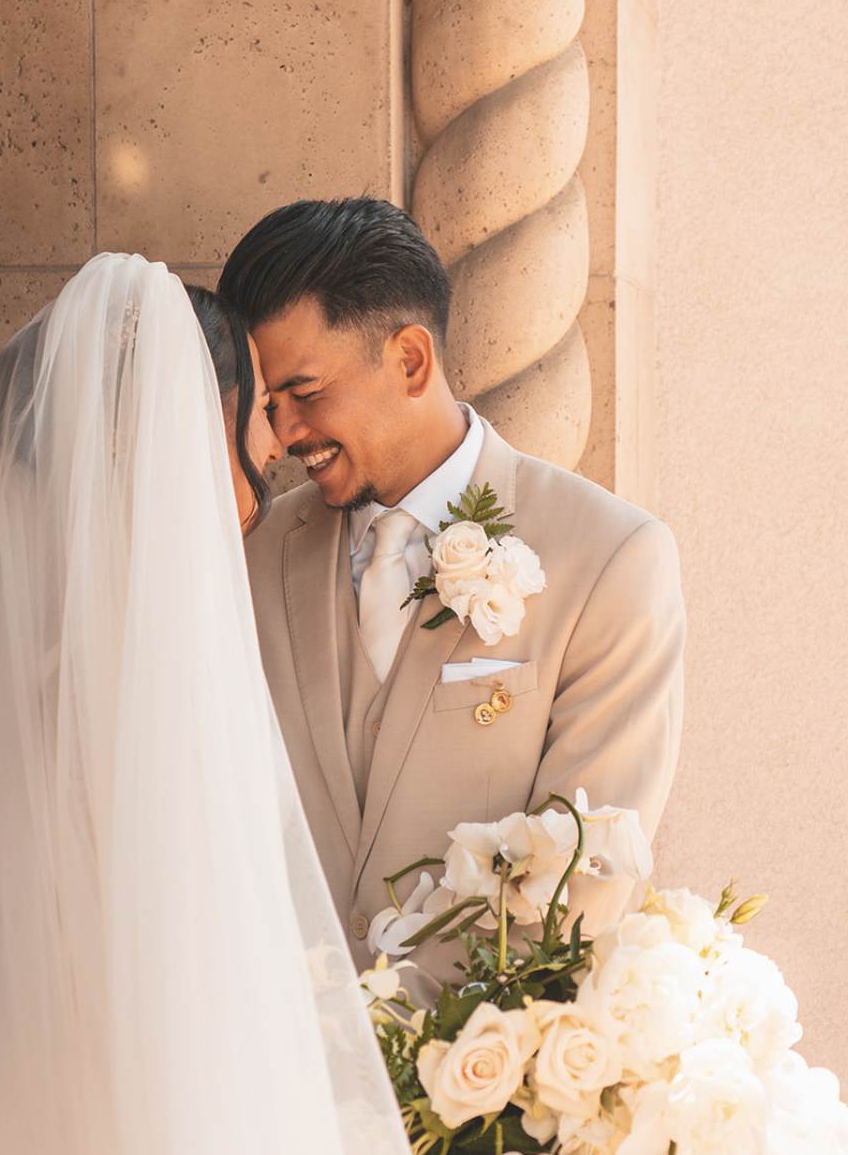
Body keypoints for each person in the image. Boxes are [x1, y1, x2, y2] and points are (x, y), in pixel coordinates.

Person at [0, 254, 494, 1155]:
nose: (276, 440)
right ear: (189, 421)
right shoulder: (161, 656)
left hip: (20, 1090)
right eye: (256, 402)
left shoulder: (69, 640)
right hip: (153, 1105)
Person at [218, 199, 686, 991]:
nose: (285, 433)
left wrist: (424, 1051)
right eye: (268, 405)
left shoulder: (610, 558)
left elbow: (587, 879)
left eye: (304, 390)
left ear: (410, 360)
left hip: (477, 1053)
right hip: (271, 1045)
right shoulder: (248, 553)